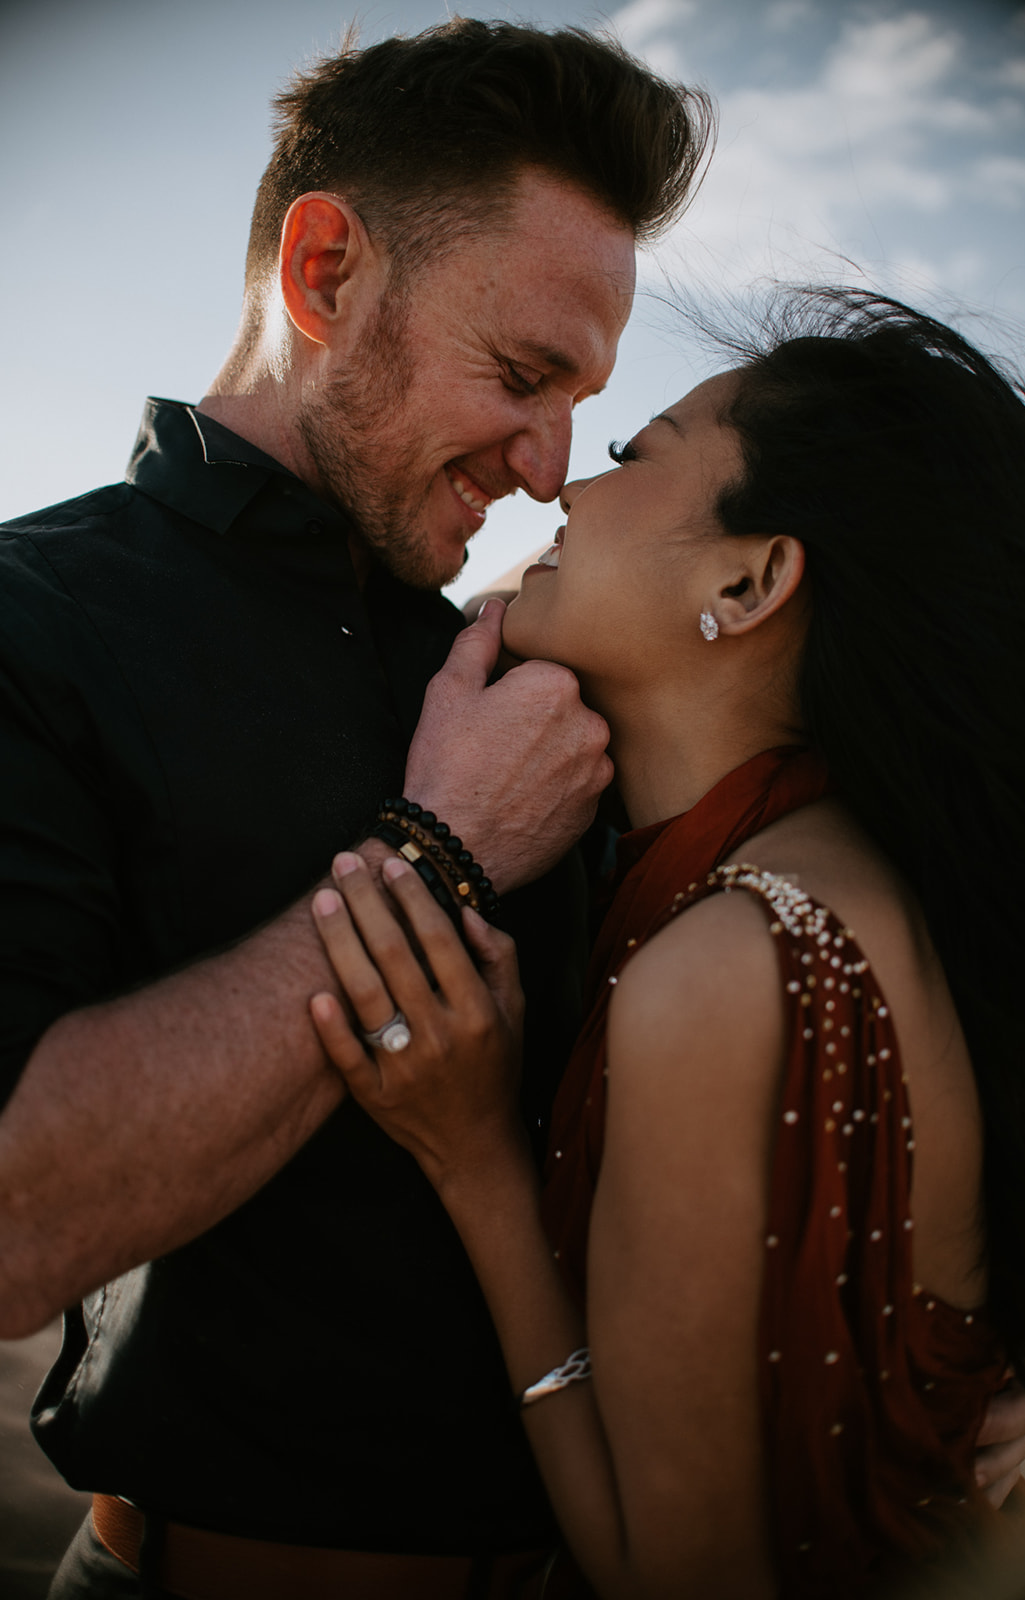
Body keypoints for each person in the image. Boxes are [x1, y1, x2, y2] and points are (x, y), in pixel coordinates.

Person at [0, 19, 715, 1599]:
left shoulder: (536, 661)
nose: (545, 468)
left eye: (581, 403)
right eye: (522, 376)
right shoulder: (32, 625)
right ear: (323, 273)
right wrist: (436, 854)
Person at [307, 289, 1025, 1598]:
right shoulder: (879, 885)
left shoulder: (724, 968)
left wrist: (475, 1155)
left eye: (632, 455)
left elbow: (673, 1572)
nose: (566, 492)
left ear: (750, 578)